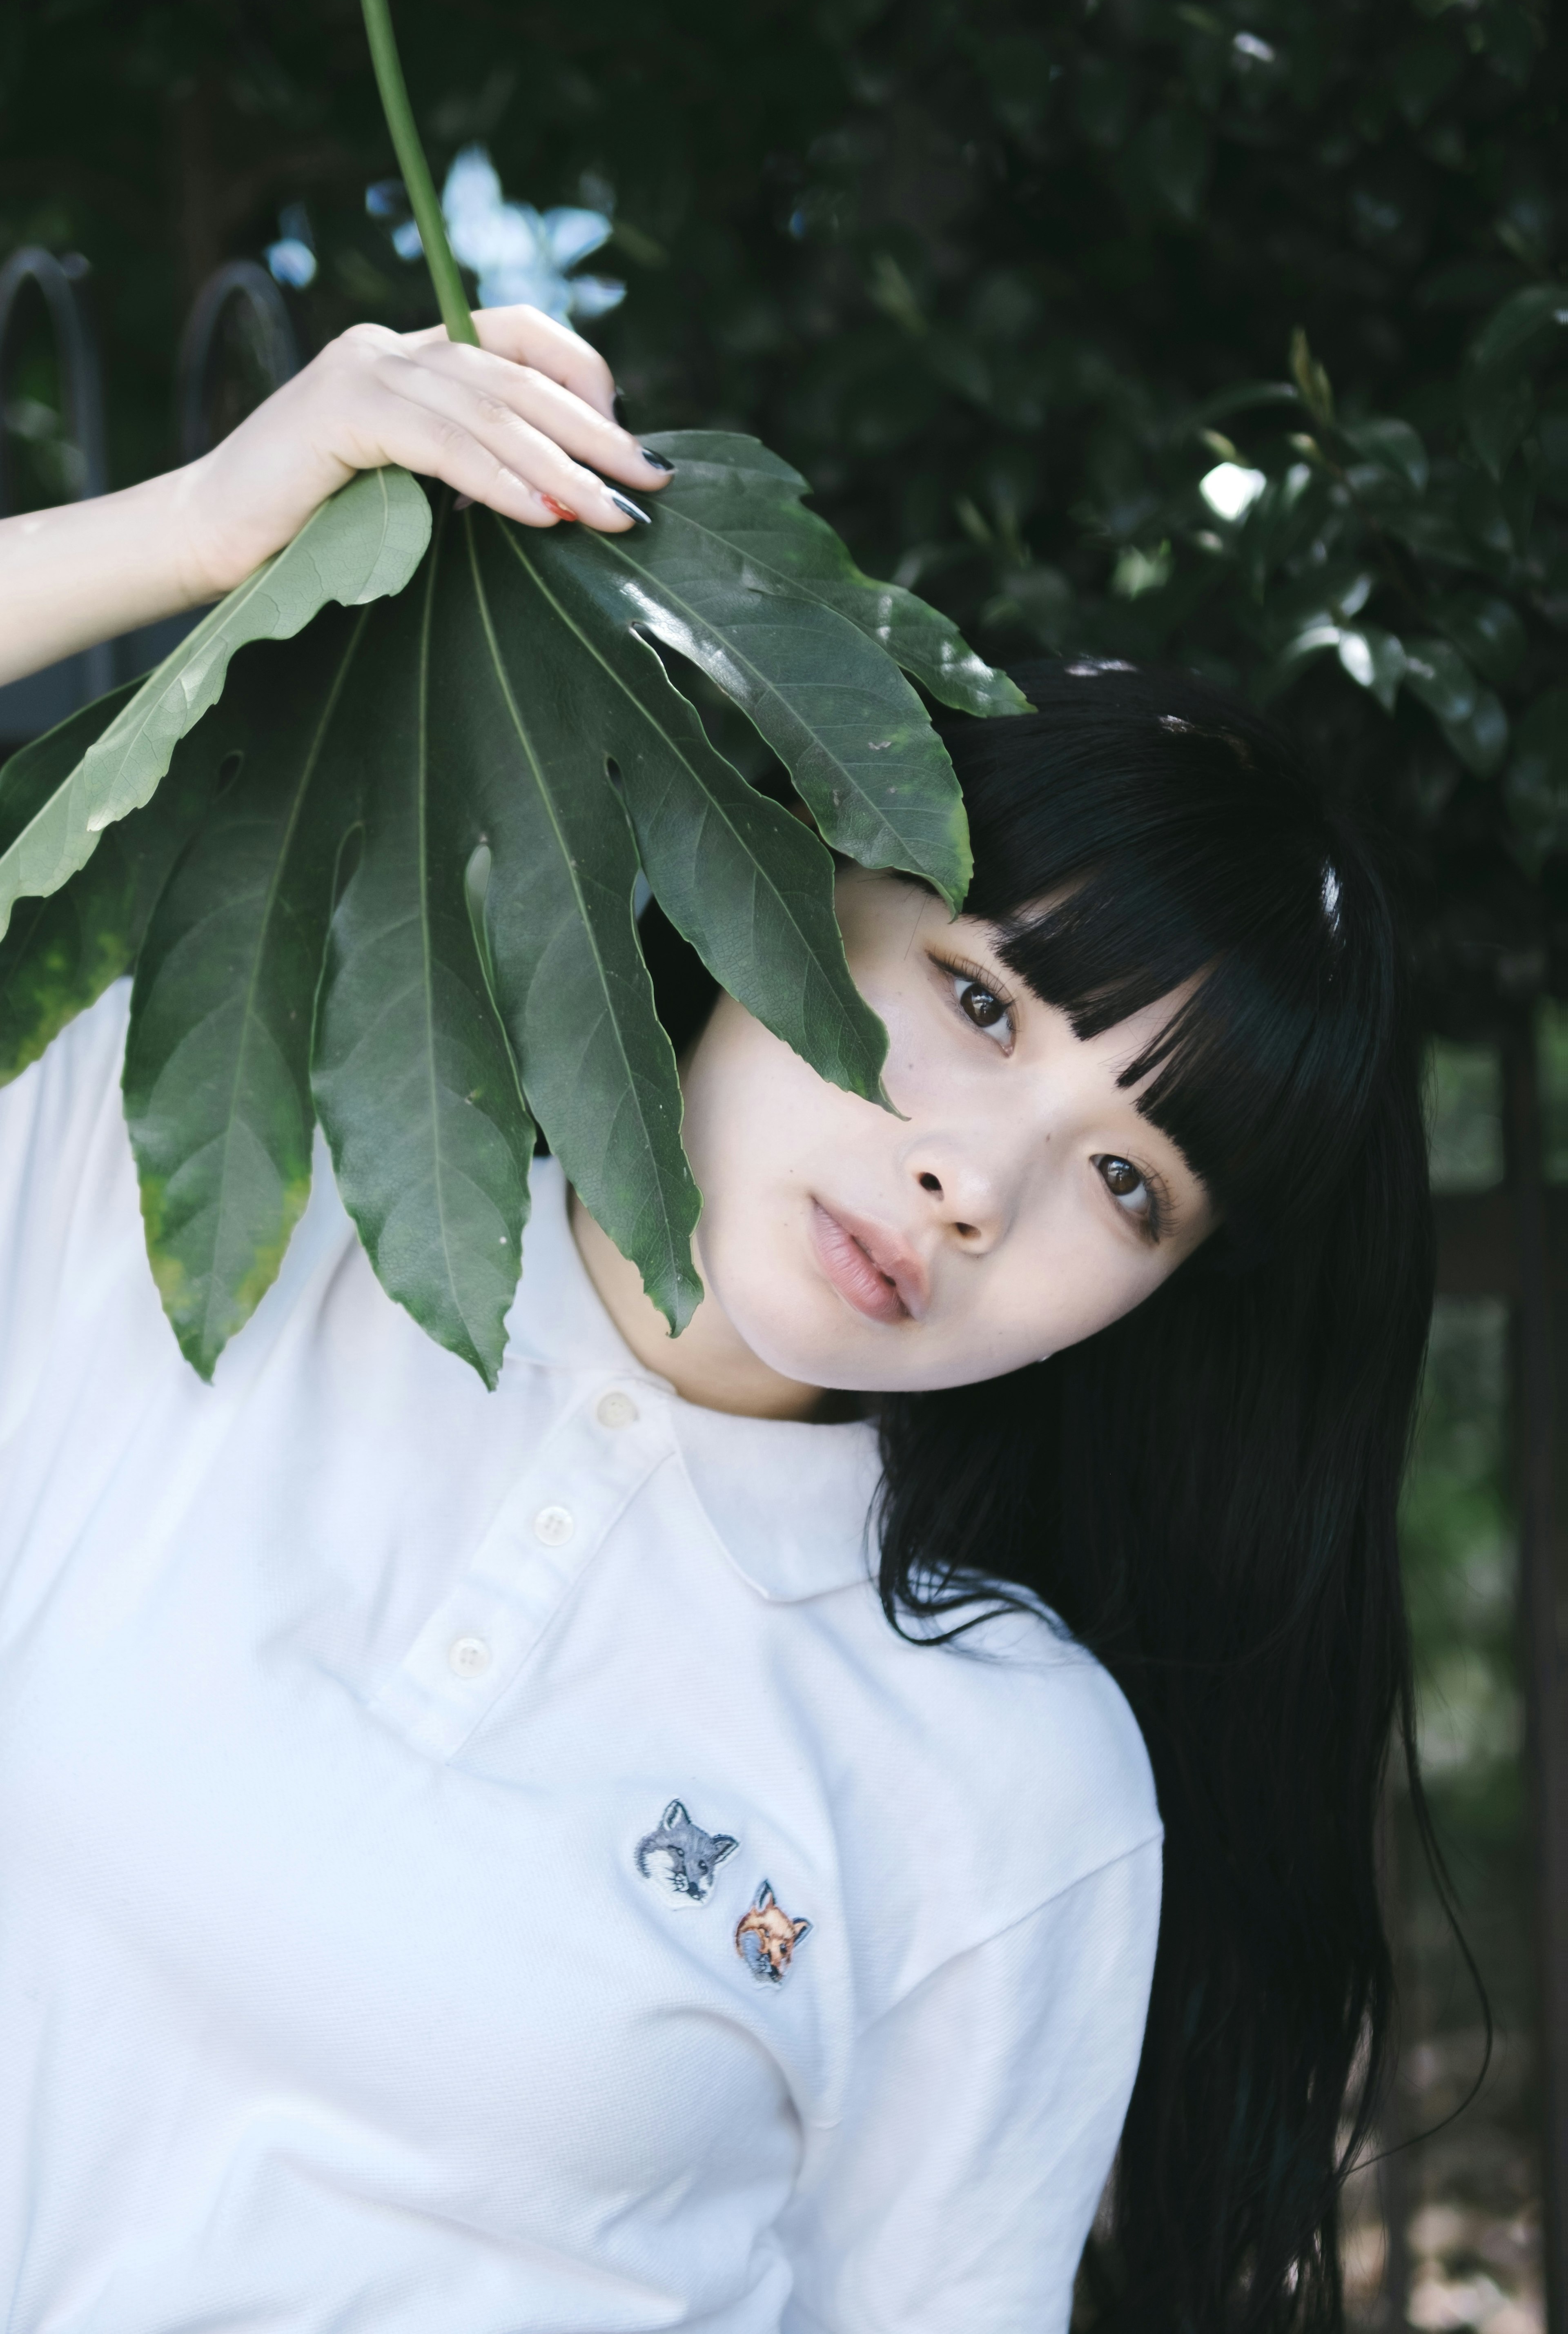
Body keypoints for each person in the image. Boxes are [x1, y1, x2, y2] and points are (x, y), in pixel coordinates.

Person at [0, 308, 1432, 2333]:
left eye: (1130, 1183)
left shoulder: (1008, 1777)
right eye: (980, 1000)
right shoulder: (216, 1192)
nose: (978, 1182)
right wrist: (202, 532)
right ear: (794, 864)